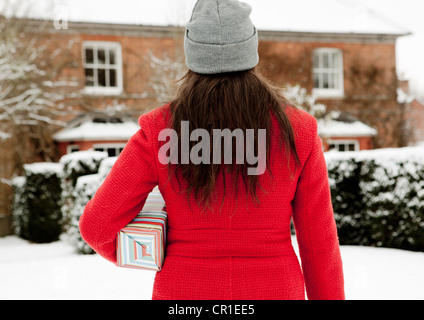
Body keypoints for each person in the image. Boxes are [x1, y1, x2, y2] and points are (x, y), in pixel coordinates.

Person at [79, 0, 345, 300]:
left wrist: (143, 251)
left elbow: (96, 226)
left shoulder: (160, 129)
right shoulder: (298, 131)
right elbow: (320, 247)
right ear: (251, 49)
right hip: (274, 289)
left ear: (192, 53)